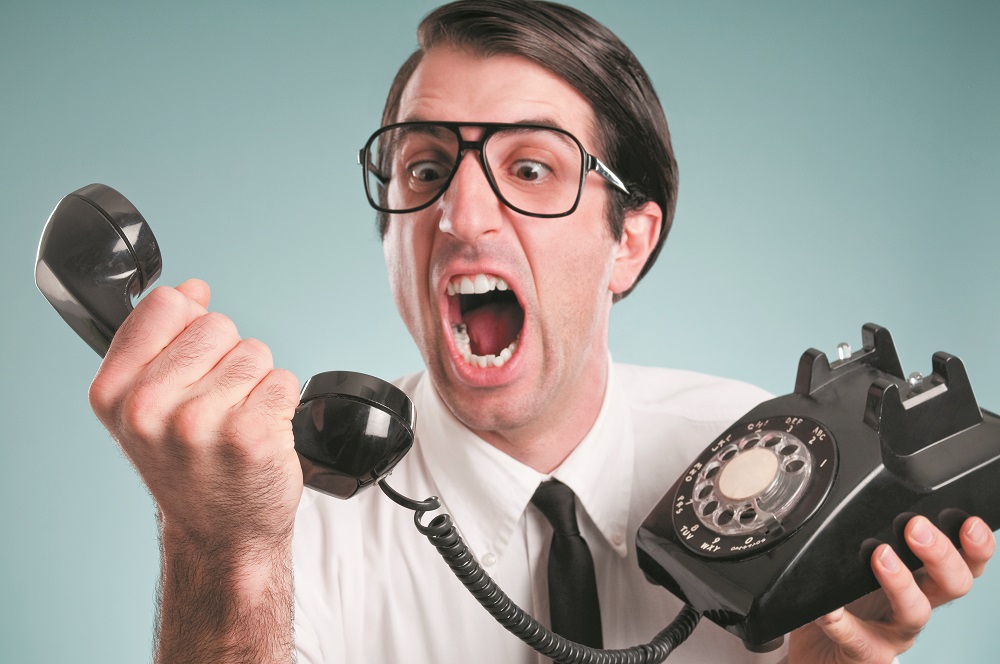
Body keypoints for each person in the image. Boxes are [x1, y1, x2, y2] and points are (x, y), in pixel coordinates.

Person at [87, 1, 994, 663]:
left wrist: (830, 660)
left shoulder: (746, 444)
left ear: (628, 242)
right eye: (427, 166)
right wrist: (224, 552)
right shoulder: (287, 518)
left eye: (529, 166)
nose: (461, 213)